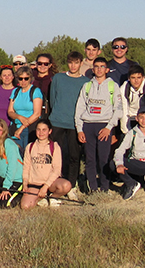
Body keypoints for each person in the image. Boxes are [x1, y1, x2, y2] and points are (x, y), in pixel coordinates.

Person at [74, 57, 123, 193]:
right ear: (93, 69)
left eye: (102, 66)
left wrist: (109, 128)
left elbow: (118, 110)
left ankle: (105, 188)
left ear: (107, 69)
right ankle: (93, 188)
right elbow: (79, 108)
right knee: (90, 159)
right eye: (96, 66)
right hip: (88, 125)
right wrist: (79, 129)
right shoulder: (87, 86)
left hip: (104, 126)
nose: (99, 69)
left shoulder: (113, 86)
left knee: (104, 158)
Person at [47, 52, 87, 193]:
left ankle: (72, 185)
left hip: (74, 124)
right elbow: (53, 98)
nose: (73, 66)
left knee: (74, 156)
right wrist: (55, 115)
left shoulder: (86, 82)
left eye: (76, 63)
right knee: (57, 155)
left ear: (81, 63)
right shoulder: (58, 78)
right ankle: (55, 183)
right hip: (57, 121)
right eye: (70, 62)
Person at [21, 120, 71, 209]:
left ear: (50, 131)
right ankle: (41, 199)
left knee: (66, 185)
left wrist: (45, 186)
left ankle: (53, 197)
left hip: (50, 183)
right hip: (34, 183)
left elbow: (57, 170)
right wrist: (25, 183)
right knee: (25, 206)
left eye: (44, 130)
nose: (41, 133)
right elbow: (26, 167)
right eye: (38, 130)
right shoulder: (30, 147)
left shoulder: (55, 147)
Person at [8, 66, 42, 150]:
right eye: (20, 78)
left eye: (26, 78)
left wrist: (22, 128)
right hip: (15, 127)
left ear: (30, 78)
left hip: (30, 129)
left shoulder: (35, 91)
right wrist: (19, 117)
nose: (23, 81)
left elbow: (37, 114)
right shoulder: (15, 91)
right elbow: (10, 111)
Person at [118, 65, 145, 133]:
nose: (136, 81)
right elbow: (124, 109)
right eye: (133, 78)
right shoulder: (124, 89)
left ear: (143, 78)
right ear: (129, 78)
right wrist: (126, 131)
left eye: (139, 78)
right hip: (130, 118)